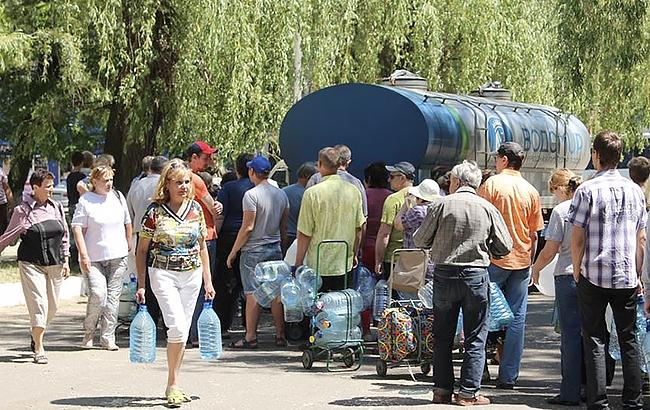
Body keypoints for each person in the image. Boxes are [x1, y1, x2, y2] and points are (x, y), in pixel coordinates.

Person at [414, 160, 512, 406]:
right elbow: (505, 246)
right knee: (476, 336)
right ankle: (469, 393)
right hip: (475, 276)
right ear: (476, 183)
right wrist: (486, 248)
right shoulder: (488, 208)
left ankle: (442, 391)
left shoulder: (441, 205)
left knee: (442, 336)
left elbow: (420, 239)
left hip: (444, 275)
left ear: (456, 182)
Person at [569, 131, 646, 410]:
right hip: (626, 274)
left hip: (593, 272)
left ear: (597, 156)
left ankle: (598, 401)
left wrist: (576, 270)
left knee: (594, 338)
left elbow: (576, 237)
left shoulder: (586, 190)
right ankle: (633, 401)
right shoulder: (636, 191)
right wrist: (639, 276)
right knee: (628, 338)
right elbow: (641, 238)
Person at [135, 158, 215, 407]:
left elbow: (202, 246)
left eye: (187, 182)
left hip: (192, 275)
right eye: (178, 182)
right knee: (178, 328)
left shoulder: (196, 209)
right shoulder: (154, 212)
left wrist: (208, 281)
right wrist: (141, 284)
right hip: (162, 273)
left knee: (181, 329)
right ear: (167, 184)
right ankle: (172, 383)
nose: (183, 186)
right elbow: (141, 250)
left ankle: (175, 382)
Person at [479, 141, 544, 390]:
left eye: (497, 158)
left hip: (493, 260)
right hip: (521, 261)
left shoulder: (492, 185)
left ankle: (480, 369)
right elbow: (535, 233)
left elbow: (481, 220)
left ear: (504, 160)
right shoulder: (531, 191)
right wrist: (530, 261)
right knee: (516, 318)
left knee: (482, 314)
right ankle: (508, 377)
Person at [0, 169, 70, 364]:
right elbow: (7, 238)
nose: (51, 189)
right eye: (47, 186)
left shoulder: (55, 207)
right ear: (35, 188)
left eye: (51, 185)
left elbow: (64, 234)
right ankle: (39, 348)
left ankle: (34, 332)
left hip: (54, 263)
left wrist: (66, 259)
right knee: (39, 305)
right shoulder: (22, 211)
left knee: (52, 308)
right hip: (31, 263)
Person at [531, 169, 583, 406]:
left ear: (561, 188)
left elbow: (550, 249)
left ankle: (570, 392)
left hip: (567, 275)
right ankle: (594, 389)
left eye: (554, 190)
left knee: (570, 337)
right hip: (592, 276)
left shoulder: (562, 211)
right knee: (593, 336)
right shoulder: (590, 205)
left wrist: (536, 268)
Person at [226, 155, 289, 349]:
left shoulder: (251, 195)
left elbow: (247, 227)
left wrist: (233, 251)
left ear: (253, 172)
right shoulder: (281, 194)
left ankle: (251, 337)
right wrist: (283, 248)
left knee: (252, 292)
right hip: (275, 248)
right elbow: (283, 227)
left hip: (253, 251)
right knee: (276, 293)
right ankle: (280, 335)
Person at [72, 165, 132, 350]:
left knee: (113, 297)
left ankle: (107, 337)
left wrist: (128, 242)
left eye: (111, 180)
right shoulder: (86, 201)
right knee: (98, 294)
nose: (109, 184)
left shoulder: (118, 197)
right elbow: (77, 228)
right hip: (94, 257)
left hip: (118, 255)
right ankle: (89, 331)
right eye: (105, 180)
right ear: (95, 181)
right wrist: (83, 255)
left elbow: (127, 222)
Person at [295, 147, 365, 291]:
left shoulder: (312, 193)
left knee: (317, 307)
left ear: (319, 164)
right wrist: (354, 253)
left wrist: (298, 262)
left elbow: (304, 233)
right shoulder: (354, 191)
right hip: (344, 262)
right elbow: (359, 228)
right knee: (341, 308)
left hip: (318, 263)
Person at [185, 140, 223, 346]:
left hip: (188, 236)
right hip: (205, 237)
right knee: (203, 285)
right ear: (194, 157)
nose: (209, 160)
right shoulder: (196, 180)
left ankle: (187, 331)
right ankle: (197, 334)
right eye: (205, 157)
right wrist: (218, 206)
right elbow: (213, 209)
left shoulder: (177, 177)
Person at [213, 153, 254, 336]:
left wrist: (216, 236)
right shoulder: (257, 187)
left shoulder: (229, 188)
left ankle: (223, 325)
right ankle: (249, 325)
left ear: (237, 169)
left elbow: (220, 215)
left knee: (224, 283)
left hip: (229, 237)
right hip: (252, 238)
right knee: (248, 284)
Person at [126, 155, 168, 328]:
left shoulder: (136, 186)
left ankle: (145, 318)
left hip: (139, 236)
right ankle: (163, 319)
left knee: (142, 278)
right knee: (161, 277)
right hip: (161, 237)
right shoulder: (164, 186)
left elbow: (129, 213)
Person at [374, 161, 415, 278]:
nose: (388, 180)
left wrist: (378, 260)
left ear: (402, 178)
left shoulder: (393, 199)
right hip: (416, 258)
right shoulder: (421, 197)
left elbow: (384, 234)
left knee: (393, 294)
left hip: (394, 259)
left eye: (391, 177)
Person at [394, 178, 440, 282]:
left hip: (414, 263)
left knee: (410, 296)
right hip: (433, 263)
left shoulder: (416, 211)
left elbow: (398, 224)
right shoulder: (438, 210)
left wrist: (405, 205)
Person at [306, 144, 368, 217]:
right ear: (348, 162)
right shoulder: (356, 183)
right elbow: (363, 215)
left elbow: (306, 213)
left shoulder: (315, 179)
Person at [283, 162, 318, 248]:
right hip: (301, 237)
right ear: (308, 177)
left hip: (285, 236)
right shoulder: (309, 195)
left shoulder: (283, 191)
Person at [0, 165, 13, 235]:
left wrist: (11, 205)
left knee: (2, 227)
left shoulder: (1, 172)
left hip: (1, 204)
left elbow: (7, 189)